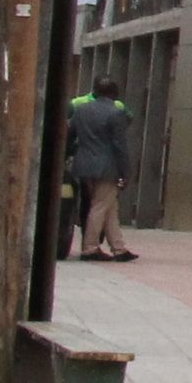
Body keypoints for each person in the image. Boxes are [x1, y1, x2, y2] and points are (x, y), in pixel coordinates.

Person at [66, 81, 137, 261]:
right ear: (114, 93)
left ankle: (118, 248)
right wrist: (125, 172)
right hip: (108, 167)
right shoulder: (116, 112)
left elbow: (70, 136)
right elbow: (119, 145)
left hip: (84, 166)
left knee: (109, 206)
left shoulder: (81, 110)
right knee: (100, 205)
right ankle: (90, 247)